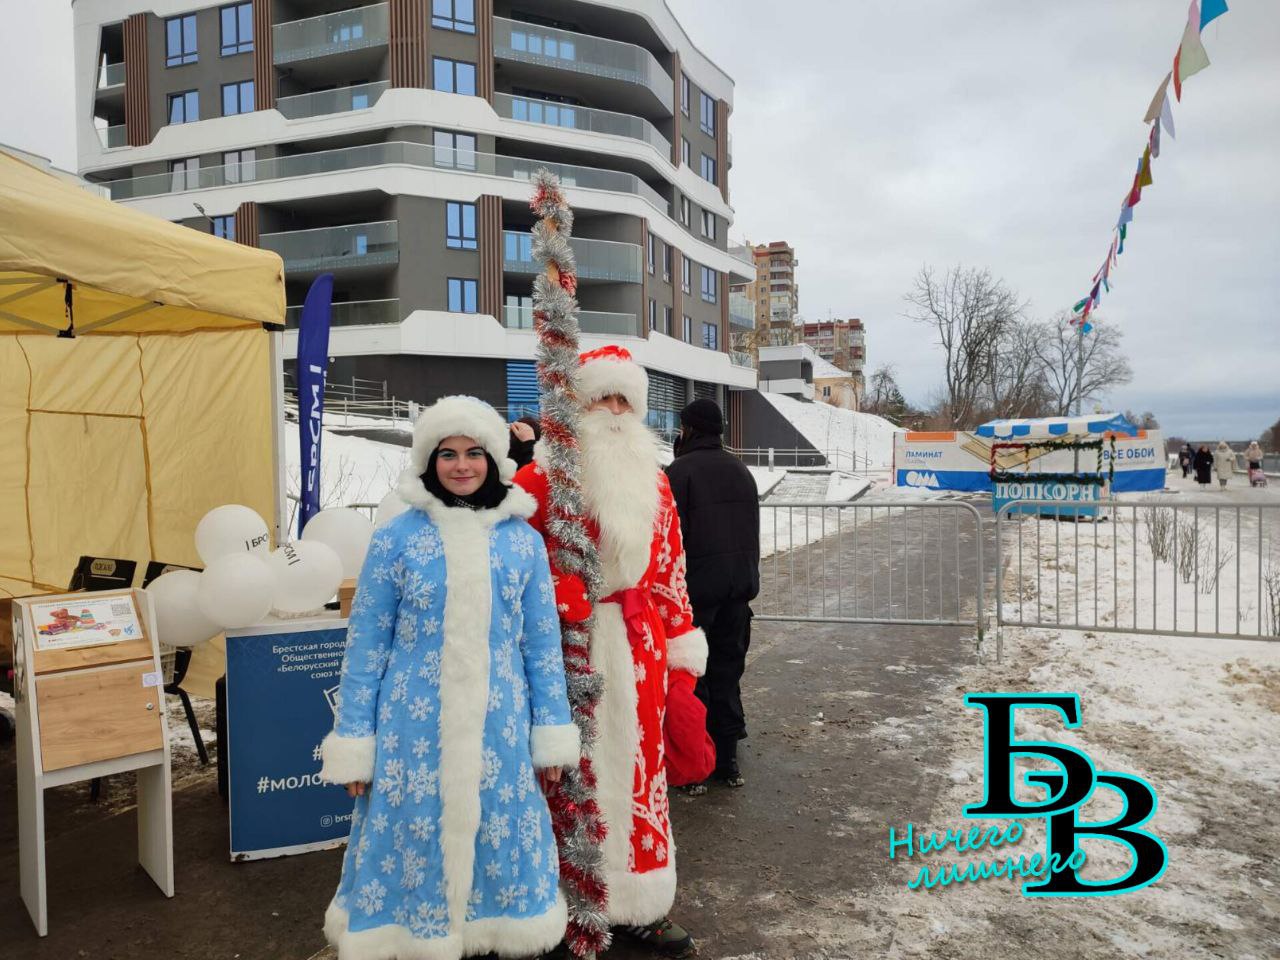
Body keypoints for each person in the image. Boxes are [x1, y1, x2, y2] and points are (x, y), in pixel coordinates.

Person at [318, 395, 580, 960]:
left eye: (473, 453)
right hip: (412, 730)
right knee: (416, 836)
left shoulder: (523, 542)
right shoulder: (395, 539)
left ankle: (495, 934)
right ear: (428, 460)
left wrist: (551, 733)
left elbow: (541, 647)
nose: (461, 465)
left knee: (498, 834)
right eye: (448, 454)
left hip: (500, 727)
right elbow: (366, 646)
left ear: (494, 458)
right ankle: (415, 936)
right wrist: (355, 740)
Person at [515, 346, 709, 959]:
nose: (616, 411)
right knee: (567, 772)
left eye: (627, 399)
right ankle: (562, 903)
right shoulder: (540, 480)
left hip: (639, 645)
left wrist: (681, 659)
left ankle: (640, 904)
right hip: (564, 648)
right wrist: (555, 591)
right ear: (577, 405)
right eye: (603, 398)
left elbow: (672, 572)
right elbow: (509, 567)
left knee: (640, 771)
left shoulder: (657, 482)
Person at [664, 398, 760, 791]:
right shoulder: (741, 470)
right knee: (727, 673)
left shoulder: (679, 472)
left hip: (695, 596)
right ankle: (728, 761)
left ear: (688, 429)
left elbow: (670, 538)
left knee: (693, 680)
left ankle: (694, 766)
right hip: (738, 592)